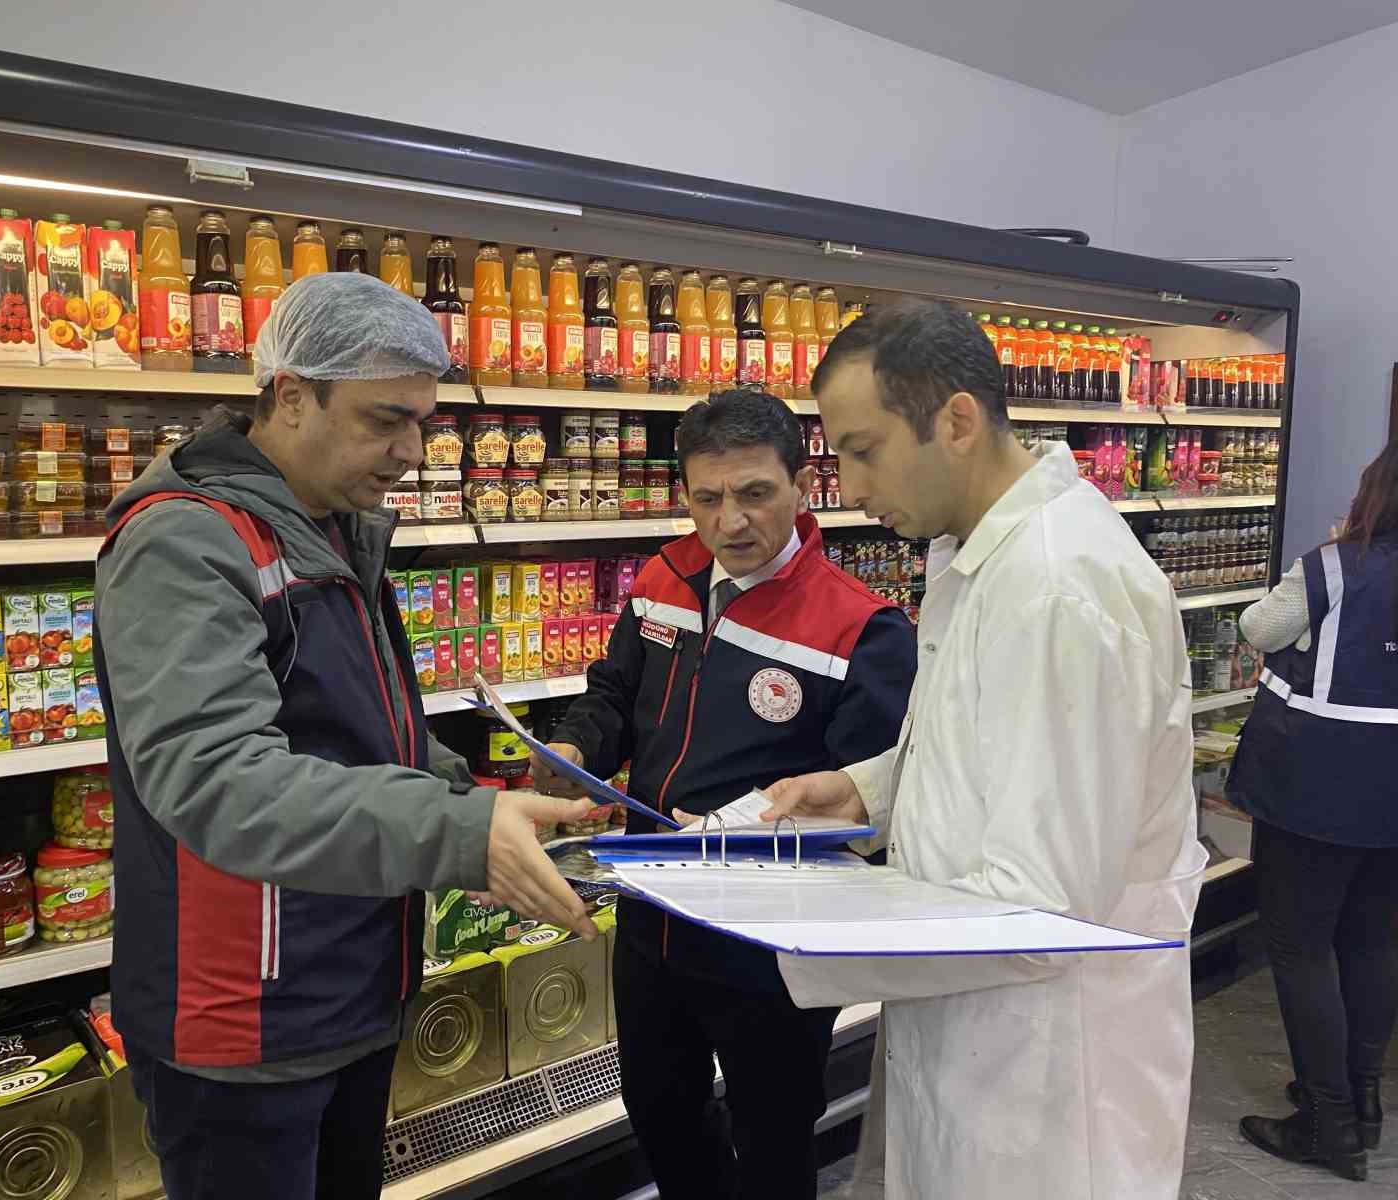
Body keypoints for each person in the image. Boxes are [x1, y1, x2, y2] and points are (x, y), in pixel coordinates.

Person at [93, 272, 596, 1200]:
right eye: (383, 420)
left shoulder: (335, 528)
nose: (411, 450)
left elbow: (365, 735)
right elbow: (216, 779)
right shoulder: (187, 542)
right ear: (291, 395)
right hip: (244, 1018)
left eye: (424, 423)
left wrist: (480, 800)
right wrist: (457, 834)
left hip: (350, 984)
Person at [764, 299, 1208, 1199]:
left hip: (1045, 1073)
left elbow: (1040, 905)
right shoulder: (977, 552)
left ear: (956, 422)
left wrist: (795, 929)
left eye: (863, 449)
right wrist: (866, 791)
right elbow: (994, 742)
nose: (846, 487)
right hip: (976, 1036)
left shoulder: (1060, 587)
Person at [532, 388, 916, 1200]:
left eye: (754, 494)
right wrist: (576, 746)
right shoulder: (663, 577)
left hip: (767, 946)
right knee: (660, 1112)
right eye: (706, 499)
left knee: (773, 1137)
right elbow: (613, 696)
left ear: (802, 484)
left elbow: (866, 811)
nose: (729, 523)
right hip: (651, 920)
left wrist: (744, 833)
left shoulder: (864, 629)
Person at [1228, 439, 1398, 1183]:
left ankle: (1327, 1124)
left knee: (1302, 948)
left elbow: (1256, 630)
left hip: (1316, 789)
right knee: (1372, 942)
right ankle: (1362, 1103)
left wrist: (1331, 554)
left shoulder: (1333, 569)